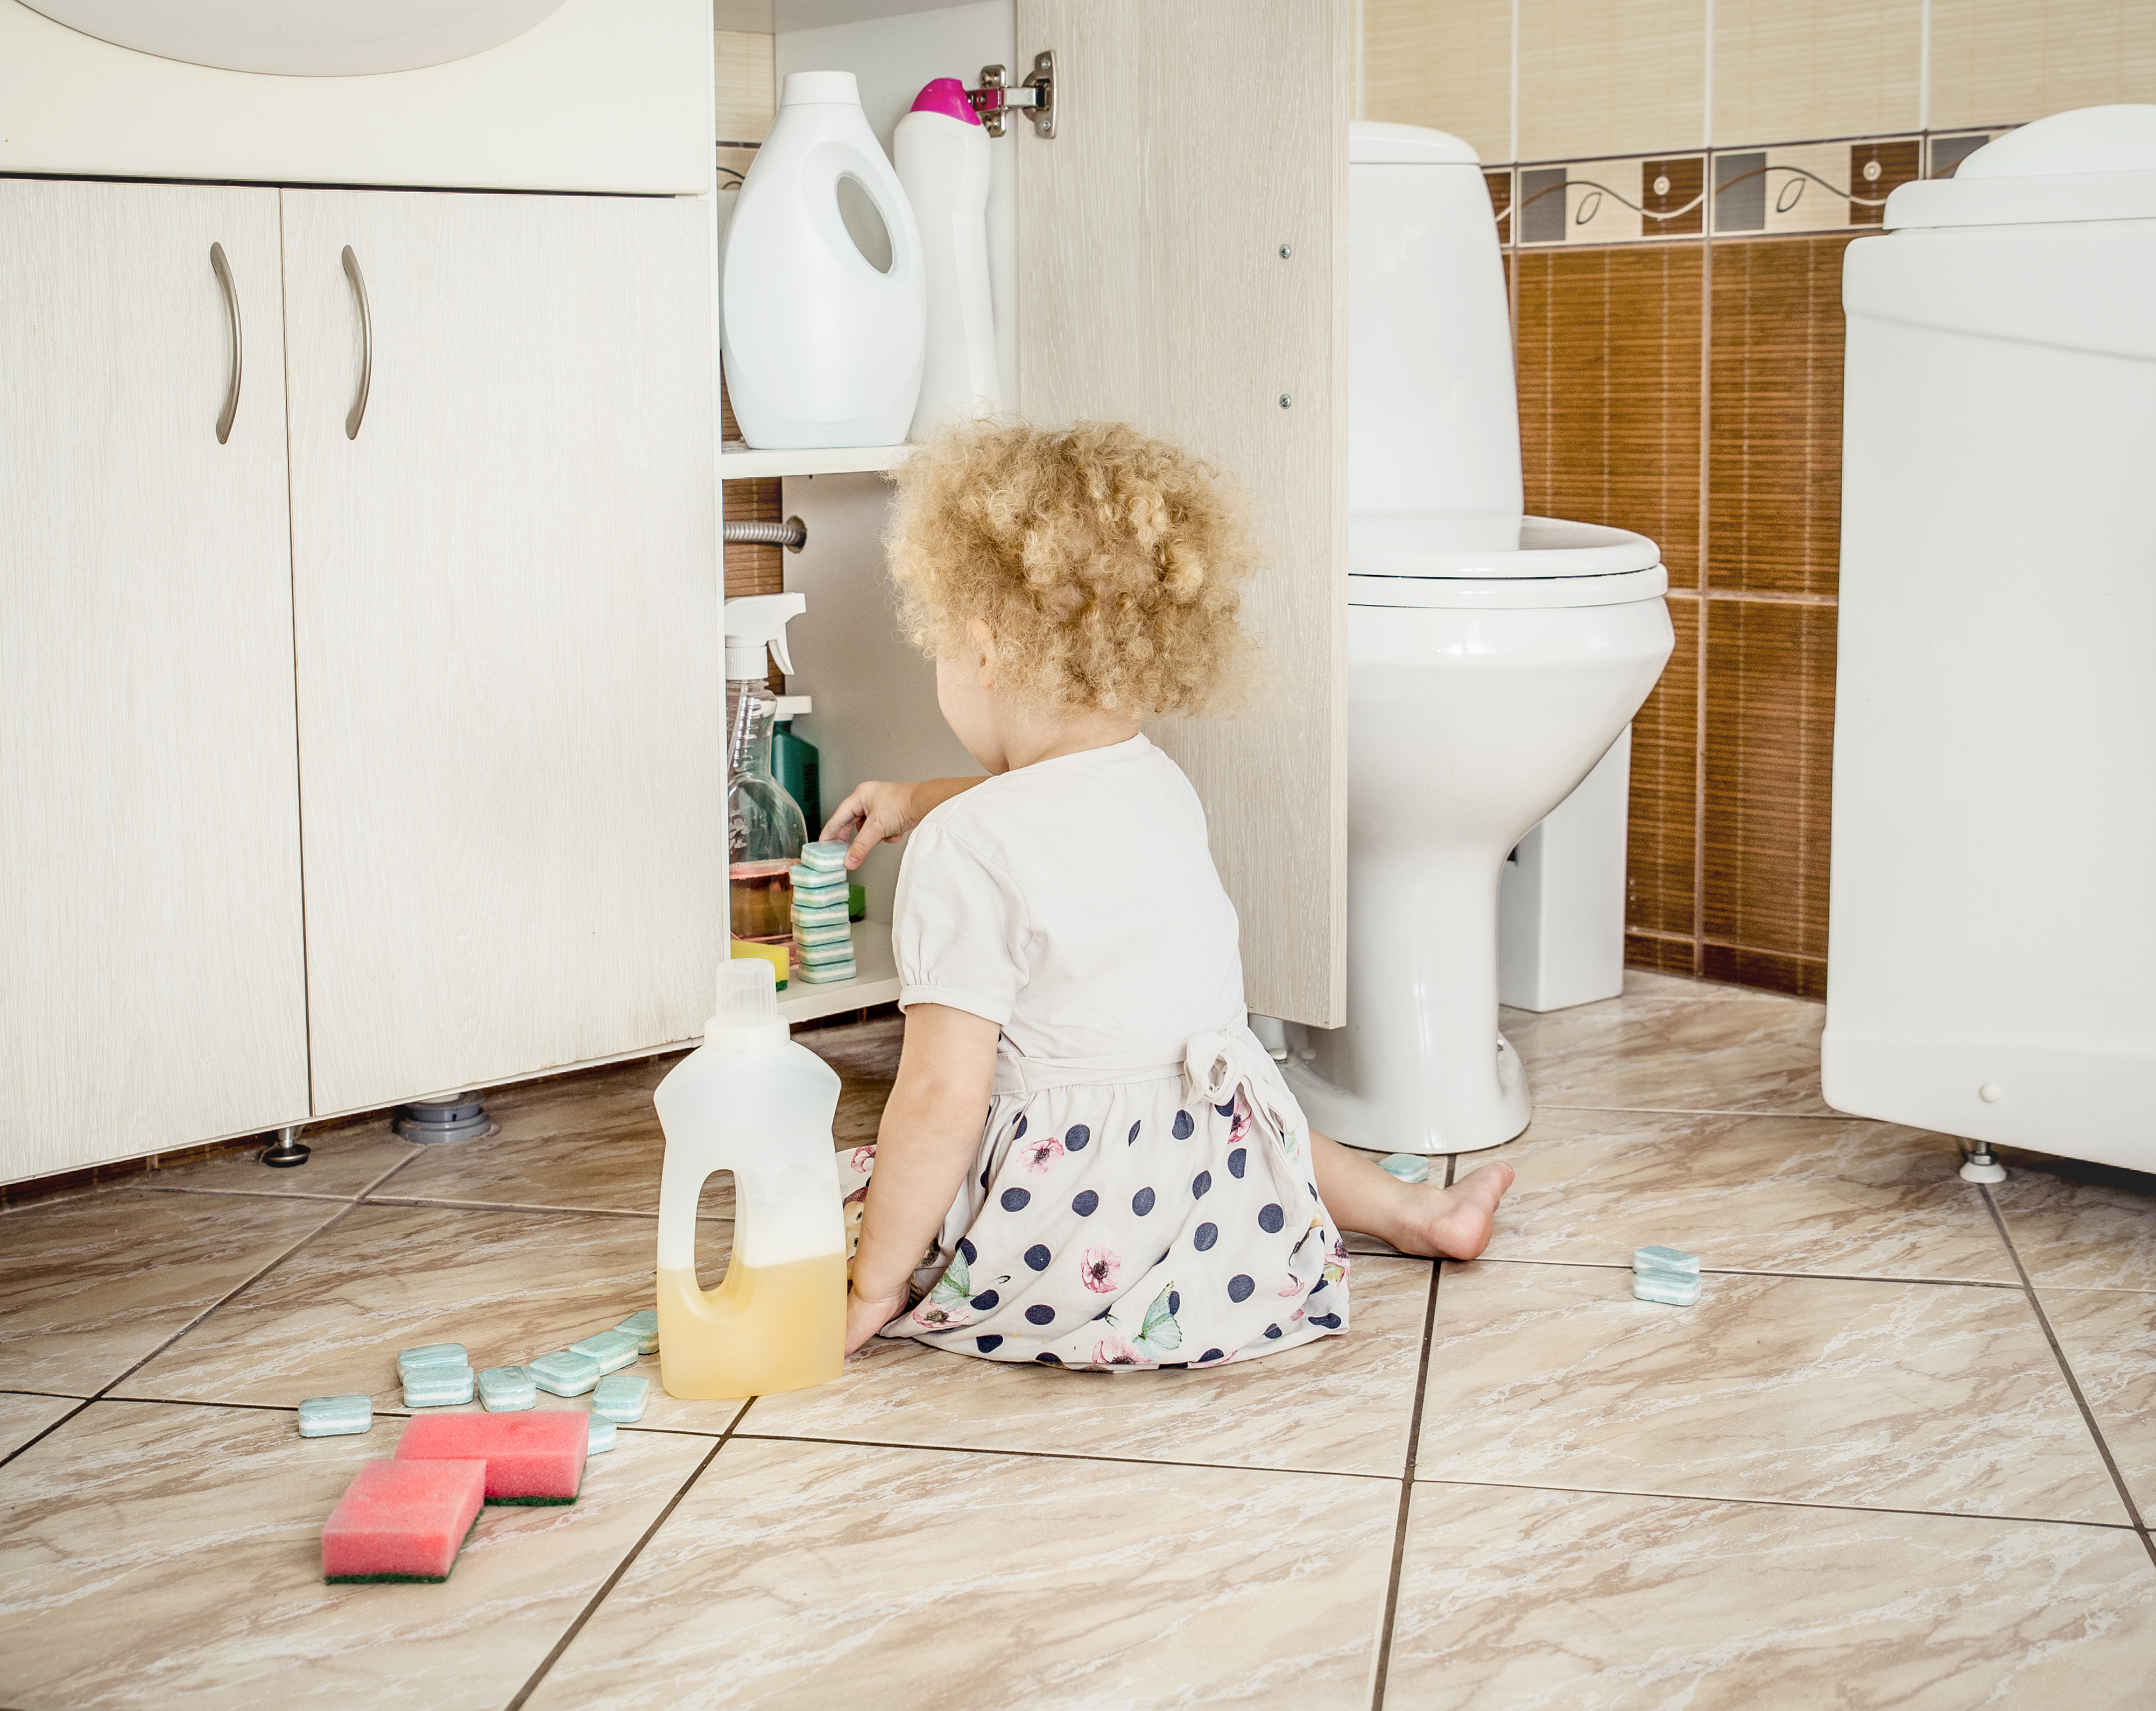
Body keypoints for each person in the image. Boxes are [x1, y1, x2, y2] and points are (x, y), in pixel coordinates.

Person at [826, 418, 1512, 1369]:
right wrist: (913, 797)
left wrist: (873, 1284)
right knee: (1232, 1078)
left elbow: (942, 1095)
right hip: (1230, 1207)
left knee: (855, 1187)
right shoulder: (1155, 781)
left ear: (980, 651)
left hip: (1074, 1239)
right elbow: (1051, 816)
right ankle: (1417, 1211)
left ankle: (925, 1267)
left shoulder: (963, 851)